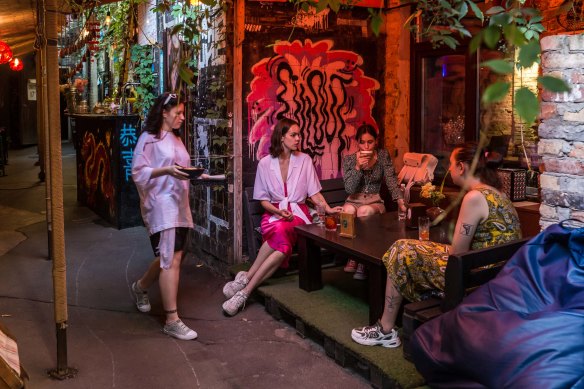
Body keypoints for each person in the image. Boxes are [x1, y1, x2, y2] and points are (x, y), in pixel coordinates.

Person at [351, 142, 522, 348]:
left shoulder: (474, 197)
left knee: (400, 249)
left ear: (461, 167)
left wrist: (428, 250)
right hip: (495, 277)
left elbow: (457, 254)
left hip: (474, 281)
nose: (449, 169)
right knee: (412, 248)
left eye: (451, 164)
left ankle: (386, 330)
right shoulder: (498, 194)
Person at [221, 118, 343, 316]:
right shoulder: (264, 164)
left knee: (283, 234)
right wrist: (277, 212)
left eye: (299, 134)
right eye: (293, 135)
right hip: (273, 214)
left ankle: (245, 286)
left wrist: (328, 209)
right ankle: (244, 290)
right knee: (282, 239)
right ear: (282, 137)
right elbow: (262, 200)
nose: (298, 138)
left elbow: (314, 193)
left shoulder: (304, 160)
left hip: (299, 213)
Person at [130, 92, 203, 340]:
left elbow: (181, 169)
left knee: (171, 256)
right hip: (161, 204)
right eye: (178, 113)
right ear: (164, 112)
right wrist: (167, 170)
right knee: (171, 257)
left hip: (179, 203)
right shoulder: (149, 139)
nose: (182, 117)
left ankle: (140, 287)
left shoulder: (176, 139)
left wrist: (197, 175)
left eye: (183, 113)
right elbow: (138, 172)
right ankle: (171, 319)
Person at [341, 124, 407, 280]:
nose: (366, 146)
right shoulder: (350, 159)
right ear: (357, 142)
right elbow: (349, 189)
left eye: (370, 142)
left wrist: (400, 201)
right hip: (354, 199)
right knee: (348, 211)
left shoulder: (383, 156)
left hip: (374, 201)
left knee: (364, 211)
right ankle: (352, 256)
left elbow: (391, 180)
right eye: (362, 142)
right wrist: (358, 168)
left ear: (376, 141)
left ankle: (364, 259)